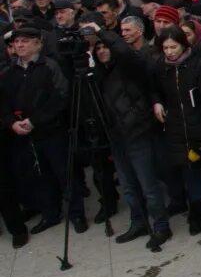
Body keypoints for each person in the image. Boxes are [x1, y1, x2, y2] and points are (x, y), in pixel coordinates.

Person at [85, 23, 170, 246]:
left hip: (137, 131)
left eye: (106, 46)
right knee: (128, 186)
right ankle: (139, 222)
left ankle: (161, 226)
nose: (102, 50)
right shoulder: (97, 75)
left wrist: (100, 31)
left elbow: (123, 51)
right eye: (98, 48)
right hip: (115, 136)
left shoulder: (129, 65)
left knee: (148, 184)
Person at [0, 27, 82, 234]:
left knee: (64, 174)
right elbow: (3, 102)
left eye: (25, 41)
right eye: (17, 42)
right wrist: (11, 123)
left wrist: (34, 120)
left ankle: (76, 214)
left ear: (38, 43)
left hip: (52, 131)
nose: (20, 45)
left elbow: (61, 97)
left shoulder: (49, 66)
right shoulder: (9, 71)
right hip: (23, 136)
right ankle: (50, 214)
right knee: (39, 177)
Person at [151, 25, 201, 248]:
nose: (169, 52)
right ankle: (196, 209)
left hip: (196, 126)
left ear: (184, 45)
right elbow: (154, 88)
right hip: (174, 127)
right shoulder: (161, 67)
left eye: (173, 47)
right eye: (165, 47)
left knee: (195, 169)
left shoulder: (198, 65)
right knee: (183, 169)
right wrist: (157, 102)